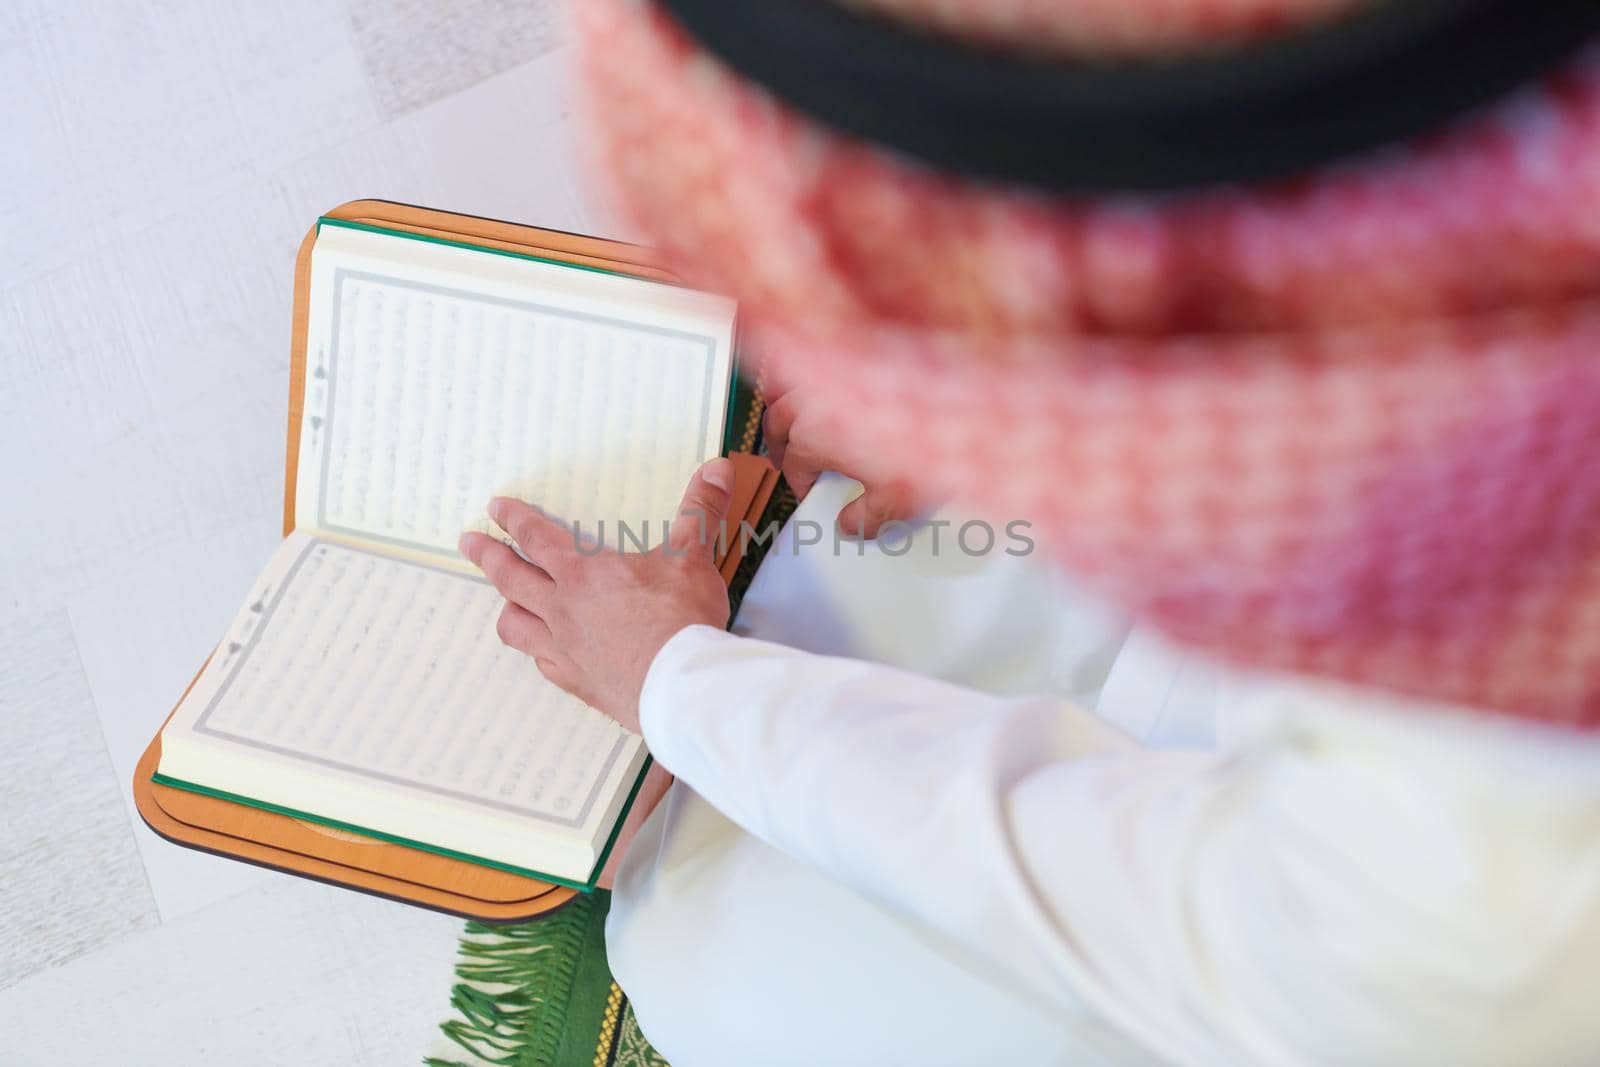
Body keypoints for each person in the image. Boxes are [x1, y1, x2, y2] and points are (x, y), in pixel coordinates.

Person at [459, 1, 1600, 1062]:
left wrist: (681, 688)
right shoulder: (1467, 347)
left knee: (699, 954)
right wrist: (1000, 423)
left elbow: (1068, 877)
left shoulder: (1495, 915)